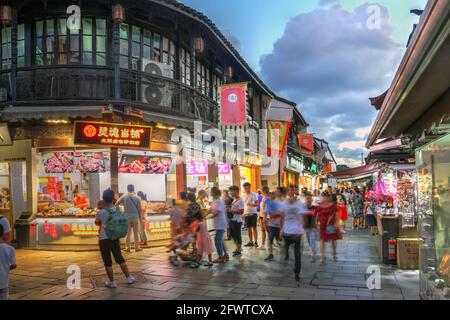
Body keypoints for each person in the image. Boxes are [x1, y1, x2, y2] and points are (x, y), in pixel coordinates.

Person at [95, 189, 135, 288]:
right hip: (115, 237)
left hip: (104, 239)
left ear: (103, 199)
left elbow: (96, 222)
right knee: (119, 258)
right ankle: (128, 277)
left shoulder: (101, 212)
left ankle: (112, 282)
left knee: (107, 261)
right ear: (113, 199)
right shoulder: (118, 209)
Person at [279, 186, 310, 282]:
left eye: (292, 190)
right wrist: (281, 229)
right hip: (287, 232)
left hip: (297, 232)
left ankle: (297, 272)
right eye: (289, 190)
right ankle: (286, 255)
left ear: (295, 191)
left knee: (297, 255)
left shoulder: (299, 204)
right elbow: (282, 217)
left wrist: (303, 228)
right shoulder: (284, 204)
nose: (291, 192)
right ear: (287, 192)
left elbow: (304, 217)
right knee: (285, 249)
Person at [316, 193, 342, 265]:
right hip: (323, 225)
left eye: (326, 197)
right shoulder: (320, 205)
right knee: (322, 240)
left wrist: (337, 223)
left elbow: (337, 215)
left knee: (333, 240)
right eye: (324, 197)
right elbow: (317, 214)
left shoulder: (333, 205)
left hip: (331, 224)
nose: (325, 199)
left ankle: (334, 253)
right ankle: (322, 256)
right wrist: (317, 223)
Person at [116, 184, 142, 252]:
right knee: (136, 233)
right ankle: (137, 247)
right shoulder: (137, 197)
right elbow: (139, 209)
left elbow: (116, 204)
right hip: (135, 217)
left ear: (127, 189)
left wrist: (121, 212)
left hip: (126, 217)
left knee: (128, 233)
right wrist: (140, 218)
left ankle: (128, 248)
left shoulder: (124, 196)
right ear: (133, 189)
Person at [207, 187, 228, 263]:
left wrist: (208, 217)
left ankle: (221, 257)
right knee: (221, 240)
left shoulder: (218, 201)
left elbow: (216, 213)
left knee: (217, 240)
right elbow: (212, 210)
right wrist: (208, 212)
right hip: (219, 223)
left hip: (220, 223)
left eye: (210, 192)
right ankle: (225, 254)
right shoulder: (217, 200)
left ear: (213, 193)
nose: (209, 193)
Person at [264, 192, 282, 261]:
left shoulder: (279, 203)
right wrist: (265, 221)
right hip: (271, 225)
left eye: (273, 195)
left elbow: (281, 214)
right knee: (270, 240)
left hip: (278, 225)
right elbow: (266, 213)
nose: (271, 197)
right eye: (270, 196)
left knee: (279, 240)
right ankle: (270, 254)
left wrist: (274, 215)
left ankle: (285, 252)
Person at [227, 186, 245, 257]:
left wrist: (231, 211)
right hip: (233, 219)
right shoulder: (234, 199)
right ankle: (238, 247)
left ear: (236, 191)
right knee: (232, 234)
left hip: (237, 220)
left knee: (237, 235)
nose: (230, 193)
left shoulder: (240, 200)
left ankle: (238, 249)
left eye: (231, 191)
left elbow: (242, 211)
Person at [0, 225, 16, 300]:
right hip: (3, 281)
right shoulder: (10, 249)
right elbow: (14, 265)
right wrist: (6, 268)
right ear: (3, 234)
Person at [242, 182, 259, 248]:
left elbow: (257, 204)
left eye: (247, 188)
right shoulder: (243, 196)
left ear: (250, 187)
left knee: (254, 228)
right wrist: (243, 213)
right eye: (245, 188)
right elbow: (242, 205)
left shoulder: (254, 194)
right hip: (246, 213)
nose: (246, 189)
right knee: (248, 228)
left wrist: (251, 204)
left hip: (253, 213)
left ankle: (256, 242)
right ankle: (250, 241)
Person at [304, 193, 318, 262]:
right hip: (306, 227)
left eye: (309, 198)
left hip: (313, 227)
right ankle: (312, 250)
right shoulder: (303, 207)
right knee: (309, 240)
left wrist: (318, 224)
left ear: (312, 199)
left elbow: (318, 216)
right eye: (307, 198)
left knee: (312, 240)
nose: (308, 200)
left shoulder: (315, 208)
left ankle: (313, 255)